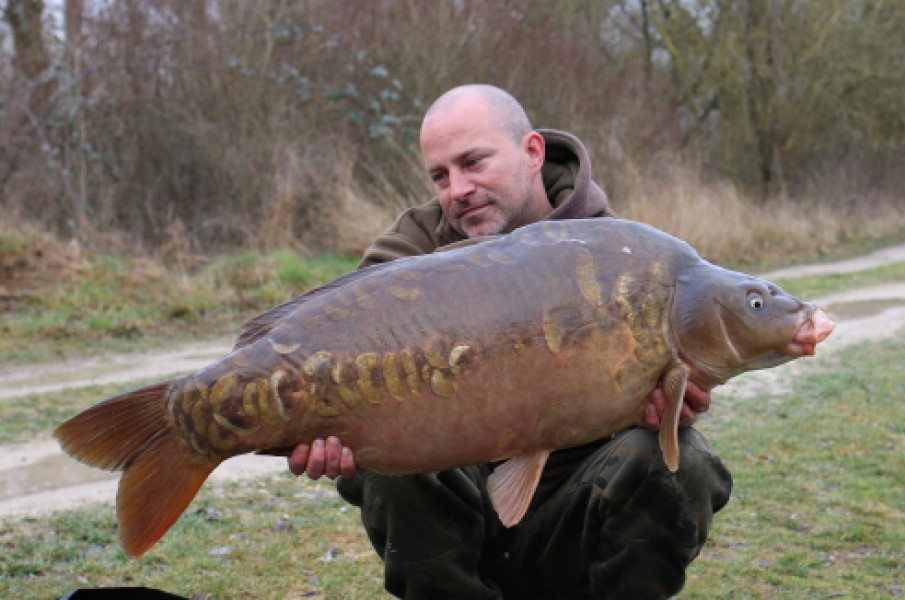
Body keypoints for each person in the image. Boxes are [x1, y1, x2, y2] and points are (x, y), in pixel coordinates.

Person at [288, 84, 732, 599]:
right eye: (440, 176)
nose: (458, 189)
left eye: (473, 162)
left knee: (684, 463)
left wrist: (674, 406)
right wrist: (332, 438)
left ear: (532, 152)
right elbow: (331, 367)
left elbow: (673, 387)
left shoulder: (620, 255)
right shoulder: (407, 254)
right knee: (394, 465)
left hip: (573, 511)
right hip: (449, 523)